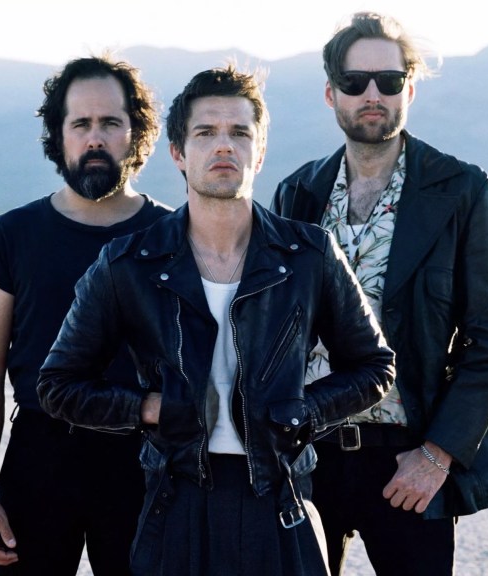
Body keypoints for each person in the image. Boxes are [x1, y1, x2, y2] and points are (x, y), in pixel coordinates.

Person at [37, 65, 396, 576]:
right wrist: (150, 408)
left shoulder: (309, 255)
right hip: (175, 497)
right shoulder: (128, 264)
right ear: (179, 153)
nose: (223, 146)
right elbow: (58, 384)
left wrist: (302, 411)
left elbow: (375, 367)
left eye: (239, 133)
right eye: (205, 133)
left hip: (280, 496)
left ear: (261, 150)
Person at [272, 12, 488, 576]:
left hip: (408, 460)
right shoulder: (298, 193)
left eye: (388, 80)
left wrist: (437, 456)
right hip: (309, 455)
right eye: (356, 82)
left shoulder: (461, 190)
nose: (372, 94)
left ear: (409, 87)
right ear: (331, 92)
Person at [0, 55, 171, 575]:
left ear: (135, 132)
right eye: (80, 124)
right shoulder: (11, 237)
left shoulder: (174, 238)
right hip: (39, 458)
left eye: (110, 123)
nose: (95, 137)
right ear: (60, 135)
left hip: (145, 461)